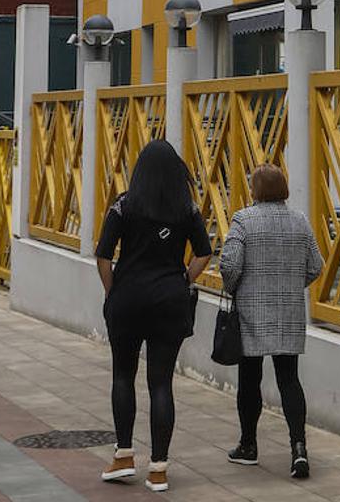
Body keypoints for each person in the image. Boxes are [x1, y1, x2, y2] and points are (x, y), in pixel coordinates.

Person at [95, 139, 212, 492]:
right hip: (169, 301)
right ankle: (158, 468)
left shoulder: (124, 204)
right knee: (161, 382)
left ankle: (124, 455)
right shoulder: (185, 207)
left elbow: (102, 255)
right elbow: (204, 254)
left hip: (128, 298)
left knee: (123, 375)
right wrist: (182, 280)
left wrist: (112, 290)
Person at [219, 163, 324, 479]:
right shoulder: (299, 221)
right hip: (289, 311)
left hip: (253, 312)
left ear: (256, 190)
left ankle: (248, 446)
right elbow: (315, 265)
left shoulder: (243, 220)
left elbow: (229, 265)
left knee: (250, 378)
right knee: (289, 379)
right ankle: (299, 449)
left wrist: (237, 288)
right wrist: (291, 284)